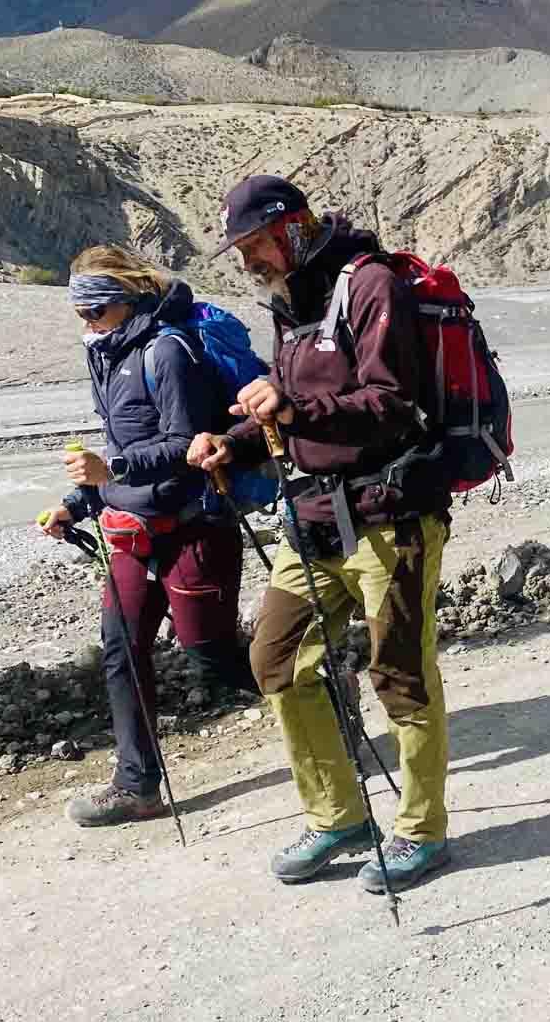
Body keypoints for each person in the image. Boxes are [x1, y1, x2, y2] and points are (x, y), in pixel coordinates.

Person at [186, 175, 454, 895]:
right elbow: (286, 406)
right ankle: (336, 813)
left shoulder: (370, 286)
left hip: (389, 514)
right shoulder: (292, 300)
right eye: (240, 251)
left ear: (293, 226)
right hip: (312, 515)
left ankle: (421, 830)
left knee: (400, 674)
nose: (247, 262)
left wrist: (292, 408)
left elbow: (391, 404)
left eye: (253, 245)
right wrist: (234, 443)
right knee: (275, 659)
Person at [37, 246, 256, 827]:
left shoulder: (168, 351)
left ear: (127, 299)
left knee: (210, 654)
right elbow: (120, 448)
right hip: (132, 529)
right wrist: (78, 503)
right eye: (82, 315)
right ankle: (136, 786)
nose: (88, 326)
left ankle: (327, 698)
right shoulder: (107, 355)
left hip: (194, 525)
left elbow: (190, 444)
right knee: (122, 650)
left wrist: (112, 475)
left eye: (97, 312)